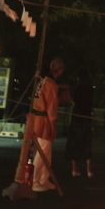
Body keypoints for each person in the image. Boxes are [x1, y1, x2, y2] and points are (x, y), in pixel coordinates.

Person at [31, 57, 64, 192]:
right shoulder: (50, 84)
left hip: (37, 118)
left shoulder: (43, 81)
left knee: (46, 152)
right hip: (44, 120)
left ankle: (43, 179)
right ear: (60, 70)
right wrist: (53, 125)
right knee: (42, 152)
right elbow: (51, 107)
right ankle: (33, 180)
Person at [65, 67, 94, 177]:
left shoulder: (77, 88)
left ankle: (74, 169)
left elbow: (74, 102)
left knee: (74, 142)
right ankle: (89, 170)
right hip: (87, 117)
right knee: (87, 142)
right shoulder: (90, 87)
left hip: (77, 117)